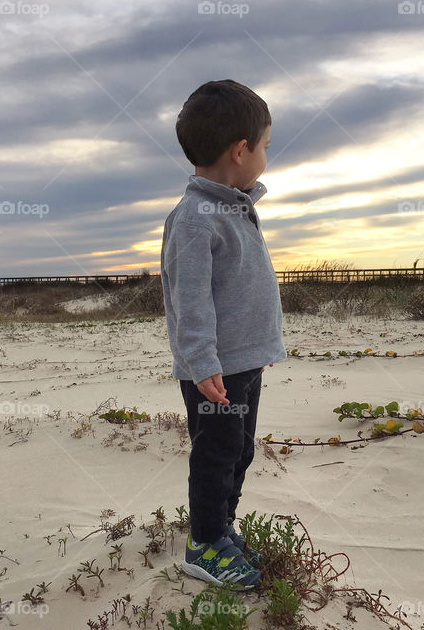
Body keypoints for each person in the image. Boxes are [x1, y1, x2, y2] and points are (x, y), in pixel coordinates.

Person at [160, 79, 286, 590]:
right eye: (265, 147)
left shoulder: (235, 206)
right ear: (241, 149)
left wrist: (257, 346)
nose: (265, 158)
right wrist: (202, 361)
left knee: (240, 449)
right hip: (213, 371)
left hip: (243, 363)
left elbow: (239, 288)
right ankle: (203, 544)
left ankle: (222, 528)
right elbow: (190, 303)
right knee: (216, 453)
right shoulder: (194, 219)